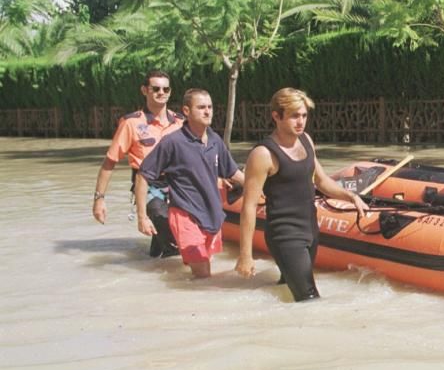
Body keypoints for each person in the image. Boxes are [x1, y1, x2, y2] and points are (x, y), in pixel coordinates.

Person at [235, 88, 369, 301]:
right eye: (294, 116)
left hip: (310, 228)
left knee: (287, 287)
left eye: (304, 115)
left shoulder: (306, 140)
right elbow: (249, 205)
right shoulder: (263, 154)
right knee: (309, 299)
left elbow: (322, 181)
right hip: (284, 234)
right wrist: (245, 255)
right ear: (276, 116)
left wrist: (351, 197)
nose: (301, 121)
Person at [135, 89, 244, 278]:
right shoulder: (172, 142)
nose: (207, 111)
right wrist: (142, 217)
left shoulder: (215, 140)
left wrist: (263, 186)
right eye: (201, 107)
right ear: (186, 110)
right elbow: (143, 175)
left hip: (212, 215)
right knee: (203, 274)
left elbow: (233, 173)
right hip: (185, 215)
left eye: (210, 107)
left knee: (203, 274)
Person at [92, 70, 184, 258]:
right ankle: (176, 268)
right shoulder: (131, 123)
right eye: (155, 88)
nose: (161, 92)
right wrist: (99, 199)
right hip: (148, 187)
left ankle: (154, 262)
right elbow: (110, 162)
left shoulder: (181, 122)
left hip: (177, 184)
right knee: (161, 216)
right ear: (144, 90)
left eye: (165, 88)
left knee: (171, 231)